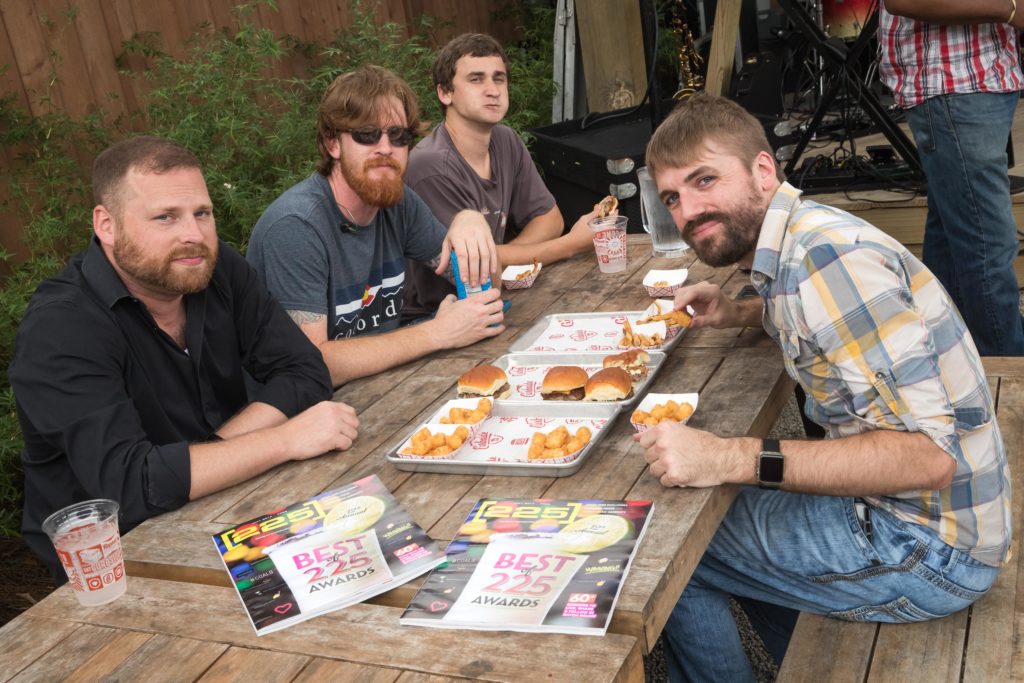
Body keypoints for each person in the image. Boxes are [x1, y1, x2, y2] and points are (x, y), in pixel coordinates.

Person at [638, 94, 1011, 682]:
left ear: (763, 170)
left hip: (930, 548)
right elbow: (822, 324)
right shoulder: (803, 240)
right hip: (933, 520)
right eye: (672, 198)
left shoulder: (825, 261)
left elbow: (929, 457)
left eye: (704, 180)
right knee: (721, 517)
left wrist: (728, 455)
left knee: (668, 545)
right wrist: (740, 313)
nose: (688, 210)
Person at [9, 136, 360, 581]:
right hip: (119, 562)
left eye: (202, 213)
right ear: (106, 225)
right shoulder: (61, 328)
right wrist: (285, 439)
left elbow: (304, 370)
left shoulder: (212, 268)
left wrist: (218, 451)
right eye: (165, 217)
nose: (193, 234)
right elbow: (131, 486)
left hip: (231, 501)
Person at [247, 65, 504, 386]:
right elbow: (310, 364)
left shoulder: (399, 203)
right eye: (367, 134)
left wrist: (470, 222)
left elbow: (488, 292)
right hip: (305, 407)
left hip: (382, 388)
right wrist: (437, 333)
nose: (385, 147)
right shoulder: (296, 226)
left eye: (398, 136)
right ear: (332, 143)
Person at [402, 33, 598, 323]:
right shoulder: (430, 166)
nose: (493, 90)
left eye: (499, 78)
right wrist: (570, 245)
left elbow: (550, 219)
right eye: (476, 79)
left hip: (493, 296)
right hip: (433, 316)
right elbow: (473, 269)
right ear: (445, 93)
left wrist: (500, 256)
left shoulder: (505, 140)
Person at [878, 0, 1024, 356]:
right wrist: (1010, 9)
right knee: (987, 247)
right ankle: (1005, 370)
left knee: (952, 242)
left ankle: (948, 358)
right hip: (954, 81)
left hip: (984, 74)